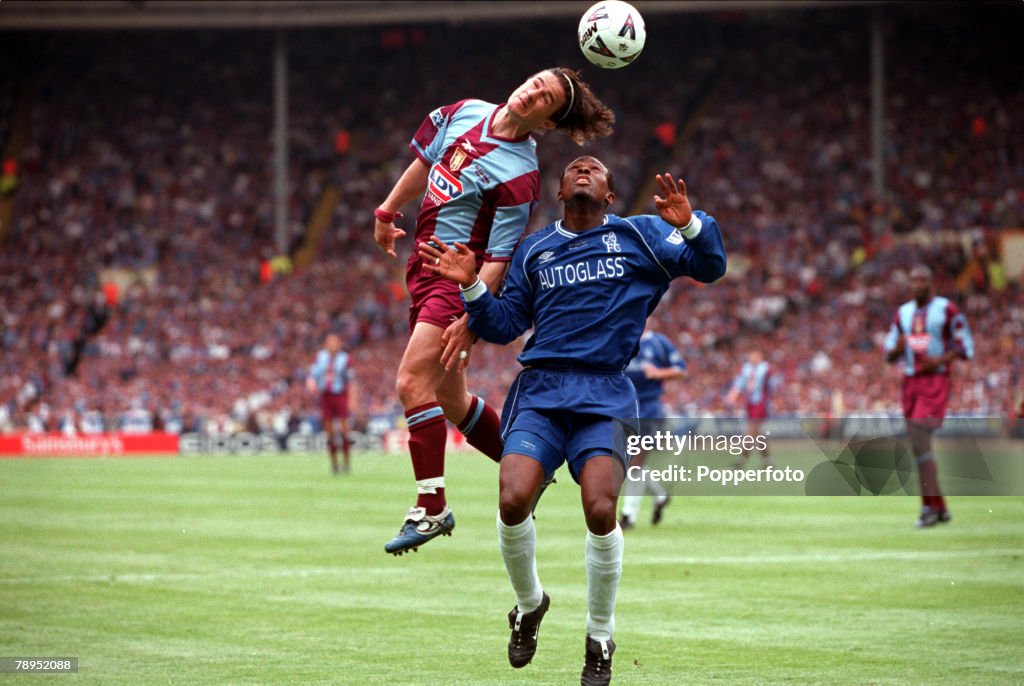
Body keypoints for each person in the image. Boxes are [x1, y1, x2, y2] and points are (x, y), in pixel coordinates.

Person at [418, 156, 726, 685]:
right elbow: (507, 322)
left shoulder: (643, 235)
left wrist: (691, 224)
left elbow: (711, 264)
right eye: (575, 167)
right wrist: (472, 287)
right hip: (540, 391)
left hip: (606, 391)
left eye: (596, 168)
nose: (584, 169)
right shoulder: (535, 249)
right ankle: (528, 603)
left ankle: (600, 634)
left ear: (609, 195)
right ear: (559, 191)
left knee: (601, 508)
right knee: (512, 498)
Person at [374, 68, 614, 555]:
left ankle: (431, 506)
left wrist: (470, 315)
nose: (534, 90)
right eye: (538, 81)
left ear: (546, 123)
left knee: (411, 384)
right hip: (422, 269)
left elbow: (499, 258)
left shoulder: (520, 175)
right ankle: (529, 462)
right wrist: (387, 209)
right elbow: (425, 161)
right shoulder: (463, 111)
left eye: (546, 97)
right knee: (452, 400)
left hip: (454, 280)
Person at [884, 264, 974, 528]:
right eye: (914, 280)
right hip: (910, 382)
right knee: (918, 445)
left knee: (919, 440)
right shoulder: (903, 313)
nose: (918, 284)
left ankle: (928, 509)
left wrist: (939, 361)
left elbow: (964, 346)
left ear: (931, 282)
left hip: (935, 382)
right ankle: (940, 507)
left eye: (923, 279)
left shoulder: (946, 309)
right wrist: (897, 349)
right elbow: (889, 354)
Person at [618, 320, 687, 530]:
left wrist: (658, 373)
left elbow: (680, 369)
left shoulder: (658, 342)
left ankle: (628, 515)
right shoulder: (621, 338)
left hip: (649, 408)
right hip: (624, 406)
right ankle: (661, 495)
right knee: (628, 461)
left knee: (636, 460)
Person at [306, 333, 357, 475]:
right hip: (325, 396)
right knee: (329, 432)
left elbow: (351, 380)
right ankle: (334, 464)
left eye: (335, 342)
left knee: (344, 429)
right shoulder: (320, 357)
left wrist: (352, 399)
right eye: (330, 342)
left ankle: (346, 463)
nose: (332, 345)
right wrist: (311, 383)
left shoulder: (345, 359)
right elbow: (312, 374)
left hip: (340, 396)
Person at [725, 349, 774, 468]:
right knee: (757, 433)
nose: (752, 358)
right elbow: (739, 383)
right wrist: (733, 395)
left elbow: (772, 385)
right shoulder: (746, 368)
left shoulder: (766, 368)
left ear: (760, 356)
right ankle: (767, 461)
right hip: (750, 402)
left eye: (755, 355)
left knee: (751, 430)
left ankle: (742, 459)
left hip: (761, 402)